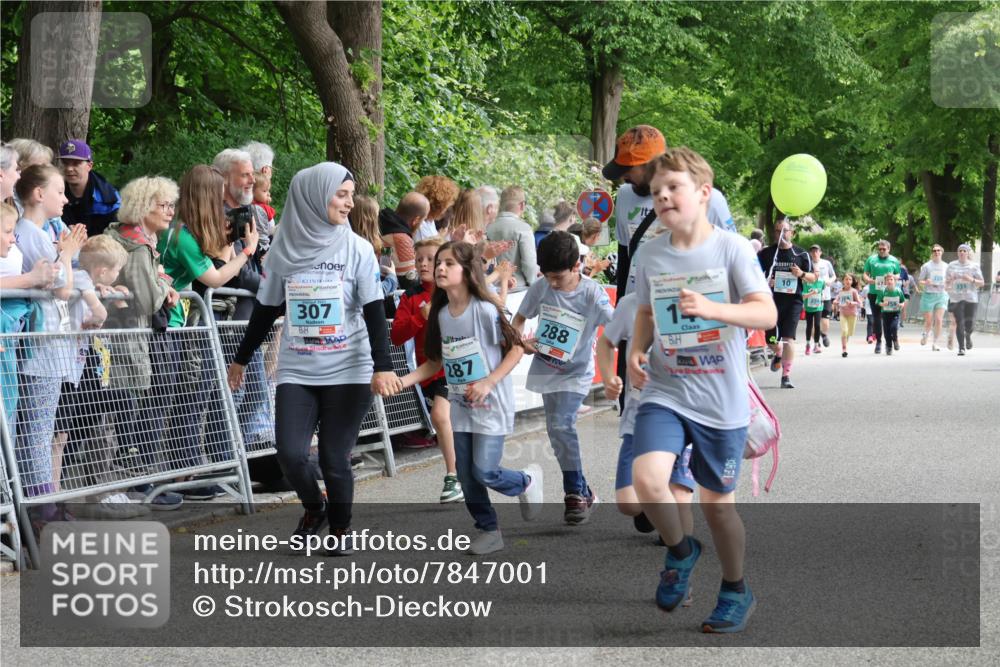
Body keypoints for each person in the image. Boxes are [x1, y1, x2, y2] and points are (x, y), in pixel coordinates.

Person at [627, 147, 775, 633]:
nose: (663, 197)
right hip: (666, 390)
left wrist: (712, 310)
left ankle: (735, 588)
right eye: (656, 192)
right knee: (648, 481)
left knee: (716, 507)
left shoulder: (732, 248)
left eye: (674, 188)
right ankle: (680, 552)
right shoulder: (651, 253)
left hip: (719, 399)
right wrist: (636, 350)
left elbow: (766, 313)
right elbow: (646, 311)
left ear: (704, 193)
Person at [228, 161, 402, 556]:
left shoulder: (357, 248)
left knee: (334, 457)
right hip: (298, 367)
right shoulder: (282, 250)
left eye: (351, 195)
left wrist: (382, 366)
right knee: (290, 454)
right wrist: (241, 358)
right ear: (314, 197)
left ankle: (341, 528)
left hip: (349, 367)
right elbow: (266, 310)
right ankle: (315, 507)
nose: (349, 203)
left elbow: (374, 311)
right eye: (341, 195)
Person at [394, 241, 541, 556]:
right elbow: (436, 362)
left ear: (466, 270)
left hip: (491, 404)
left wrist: (488, 382)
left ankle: (525, 481)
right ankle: (489, 530)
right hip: (461, 406)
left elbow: (516, 349)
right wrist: (402, 381)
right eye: (439, 263)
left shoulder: (484, 310)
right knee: (465, 474)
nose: (440, 268)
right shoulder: (440, 315)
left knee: (484, 470)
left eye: (448, 263)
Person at [158, 165, 260, 499]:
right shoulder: (182, 235)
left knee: (194, 395)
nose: (222, 202)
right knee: (187, 397)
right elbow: (216, 278)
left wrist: (230, 239)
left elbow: (221, 262)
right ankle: (180, 474)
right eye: (217, 195)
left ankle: (188, 471)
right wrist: (248, 250)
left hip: (180, 322)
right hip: (170, 324)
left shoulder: (189, 232)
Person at [511, 231, 614, 524]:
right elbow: (519, 320)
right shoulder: (541, 287)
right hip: (547, 368)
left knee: (561, 425)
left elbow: (616, 325)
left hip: (577, 371)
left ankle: (574, 494)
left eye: (558, 277)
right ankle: (586, 492)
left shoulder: (592, 292)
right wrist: (521, 342)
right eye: (548, 277)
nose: (553, 283)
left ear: (576, 266)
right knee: (557, 433)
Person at [103, 176, 185, 509]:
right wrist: (164, 284)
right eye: (163, 205)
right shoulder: (137, 247)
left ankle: (135, 485)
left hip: (123, 340)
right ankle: (134, 487)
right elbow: (149, 300)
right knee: (125, 416)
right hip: (128, 343)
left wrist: (161, 281)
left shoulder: (127, 238)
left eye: (171, 205)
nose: (170, 211)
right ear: (143, 207)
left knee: (119, 416)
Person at [596, 291, 696, 545]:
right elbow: (606, 343)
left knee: (681, 502)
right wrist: (608, 379)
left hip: (686, 415)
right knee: (628, 504)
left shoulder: (697, 299)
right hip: (640, 417)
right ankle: (653, 505)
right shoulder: (631, 303)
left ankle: (681, 557)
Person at [12, 164, 87, 498]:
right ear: (39, 194)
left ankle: (37, 501)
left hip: (45, 347)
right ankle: (40, 504)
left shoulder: (35, 233)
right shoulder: (31, 234)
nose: (66, 199)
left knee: (37, 430)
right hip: (41, 351)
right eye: (59, 191)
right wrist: (67, 255)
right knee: (38, 431)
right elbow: (63, 290)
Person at [604, 125, 736, 299]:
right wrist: (621, 304)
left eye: (627, 170)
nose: (623, 177)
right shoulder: (625, 195)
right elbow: (624, 254)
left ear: (650, 165)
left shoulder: (709, 199)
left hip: (690, 306)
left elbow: (731, 259)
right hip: (638, 304)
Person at [390, 236, 463, 503]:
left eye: (431, 259)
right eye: (419, 259)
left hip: (459, 369)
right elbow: (397, 336)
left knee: (442, 417)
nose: (423, 264)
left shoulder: (455, 291)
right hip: (430, 371)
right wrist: (419, 317)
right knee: (442, 420)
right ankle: (456, 474)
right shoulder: (410, 297)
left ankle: (455, 475)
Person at [757, 218, 815, 388]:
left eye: (784, 230)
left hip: (793, 302)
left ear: (792, 233)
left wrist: (801, 274)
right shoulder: (766, 253)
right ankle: (778, 352)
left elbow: (813, 277)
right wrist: (765, 282)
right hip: (772, 302)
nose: (781, 234)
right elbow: (753, 274)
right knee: (771, 340)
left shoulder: (801, 254)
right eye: (777, 230)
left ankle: (786, 376)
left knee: (788, 338)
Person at [57, 139, 121, 237]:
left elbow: (117, 235)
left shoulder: (109, 199)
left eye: (76, 163)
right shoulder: (53, 193)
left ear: (89, 166)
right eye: (65, 163)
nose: (69, 168)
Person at [486, 186, 539, 289]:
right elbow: (529, 264)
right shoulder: (524, 228)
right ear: (522, 205)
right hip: (517, 287)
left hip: (490, 287)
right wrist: (532, 284)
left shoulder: (488, 227)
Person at [378, 192, 430, 290]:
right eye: (422, 220)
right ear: (416, 220)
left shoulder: (382, 222)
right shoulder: (401, 239)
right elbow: (410, 282)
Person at [351, 195, 398, 297]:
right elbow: (374, 292)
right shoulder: (366, 249)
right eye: (377, 216)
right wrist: (392, 277)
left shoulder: (346, 244)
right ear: (371, 221)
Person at [945, 243, 985, 356]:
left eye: (964, 251)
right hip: (956, 299)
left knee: (970, 324)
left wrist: (971, 279)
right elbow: (946, 284)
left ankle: (968, 335)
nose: (962, 252)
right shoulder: (951, 265)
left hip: (971, 298)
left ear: (968, 253)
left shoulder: (974, 266)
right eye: (960, 251)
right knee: (960, 323)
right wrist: (951, 280)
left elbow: (982, 283)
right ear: (957, 253)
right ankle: (961, 348)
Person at [862, 240, 901, 355]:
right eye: (880, 249)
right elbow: (865, 274)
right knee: (877, 319)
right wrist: (868, 279)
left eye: (884, 249)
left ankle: (894, 338)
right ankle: (878, 342)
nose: (882, 251)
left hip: (890, 294)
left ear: (889, 249)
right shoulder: (871, 259)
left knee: (890, 319)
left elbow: (898, 274)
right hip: (875, 292)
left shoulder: (894, 260)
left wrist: (892, 276)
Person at [918, 245, 949, 350]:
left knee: (939, 320)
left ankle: (935, 343)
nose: (936, 252)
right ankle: (926, 335)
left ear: (942, 252)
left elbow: (949, 280)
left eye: (938, 250)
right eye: (934, 250)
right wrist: (926, 282)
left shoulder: (946, 266)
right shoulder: (926, 266)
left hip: (941, 295)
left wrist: (946, 282)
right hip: (928, 295)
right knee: (929, 321)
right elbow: (920, 281)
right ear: (932, 252)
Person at [414, 175, 459, 242]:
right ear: (439, 204)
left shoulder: (429, 220)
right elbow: (429, 245)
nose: (446, 209)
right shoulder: (420, 224)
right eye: (447, 205)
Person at [808, 244, 836, 347]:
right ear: (810, 253)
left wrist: (830, 281)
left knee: (825, 320)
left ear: (820, 252)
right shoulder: (808, 263)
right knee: (813, 322)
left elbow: (833, 276)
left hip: (825, 296)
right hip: (812, 296)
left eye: (816, 251)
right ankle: (816, 343)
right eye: (813, 251)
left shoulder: (826, 263)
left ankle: (824, 335)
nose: (815, 253)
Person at [876, 273, 906, 356]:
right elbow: (878, 301)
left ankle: (895, 339)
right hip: (885, 314)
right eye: (887, 280)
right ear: (885, 282)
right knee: (887, 332)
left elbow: (903, 301)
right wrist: (882, 304)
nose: (889, 281)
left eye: (891, 279)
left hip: (895, 313)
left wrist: (901, 305)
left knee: (894, 327)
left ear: (895, 281)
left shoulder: (898, 291)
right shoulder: (882, 291)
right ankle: (889, 346)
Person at [836, 273, 863, 357]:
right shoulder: (841, 291)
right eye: (846, 279)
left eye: (850, 279)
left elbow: (859, 303)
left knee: (850, 332)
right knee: (844, 331)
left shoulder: (854, 291)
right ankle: (844, 349)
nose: (848, 281)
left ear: (852, 281)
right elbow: (837, 299)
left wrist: (852, 303)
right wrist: (835, 302)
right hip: (843, 314)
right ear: (843, 281)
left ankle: (845, 340)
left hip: (852, 314)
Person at [802, 274, 825, 356]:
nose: (817, 274)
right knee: (809, 325)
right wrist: (812, 293)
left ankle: (816, 345)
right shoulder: (805, 282)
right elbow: (803, 297)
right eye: (815, 272)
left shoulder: (822, 282)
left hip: (818, 307)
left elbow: (823, 291)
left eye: (818, 272)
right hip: (808, 307)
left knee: (817, 325)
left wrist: (823, 296)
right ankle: (808, 345)